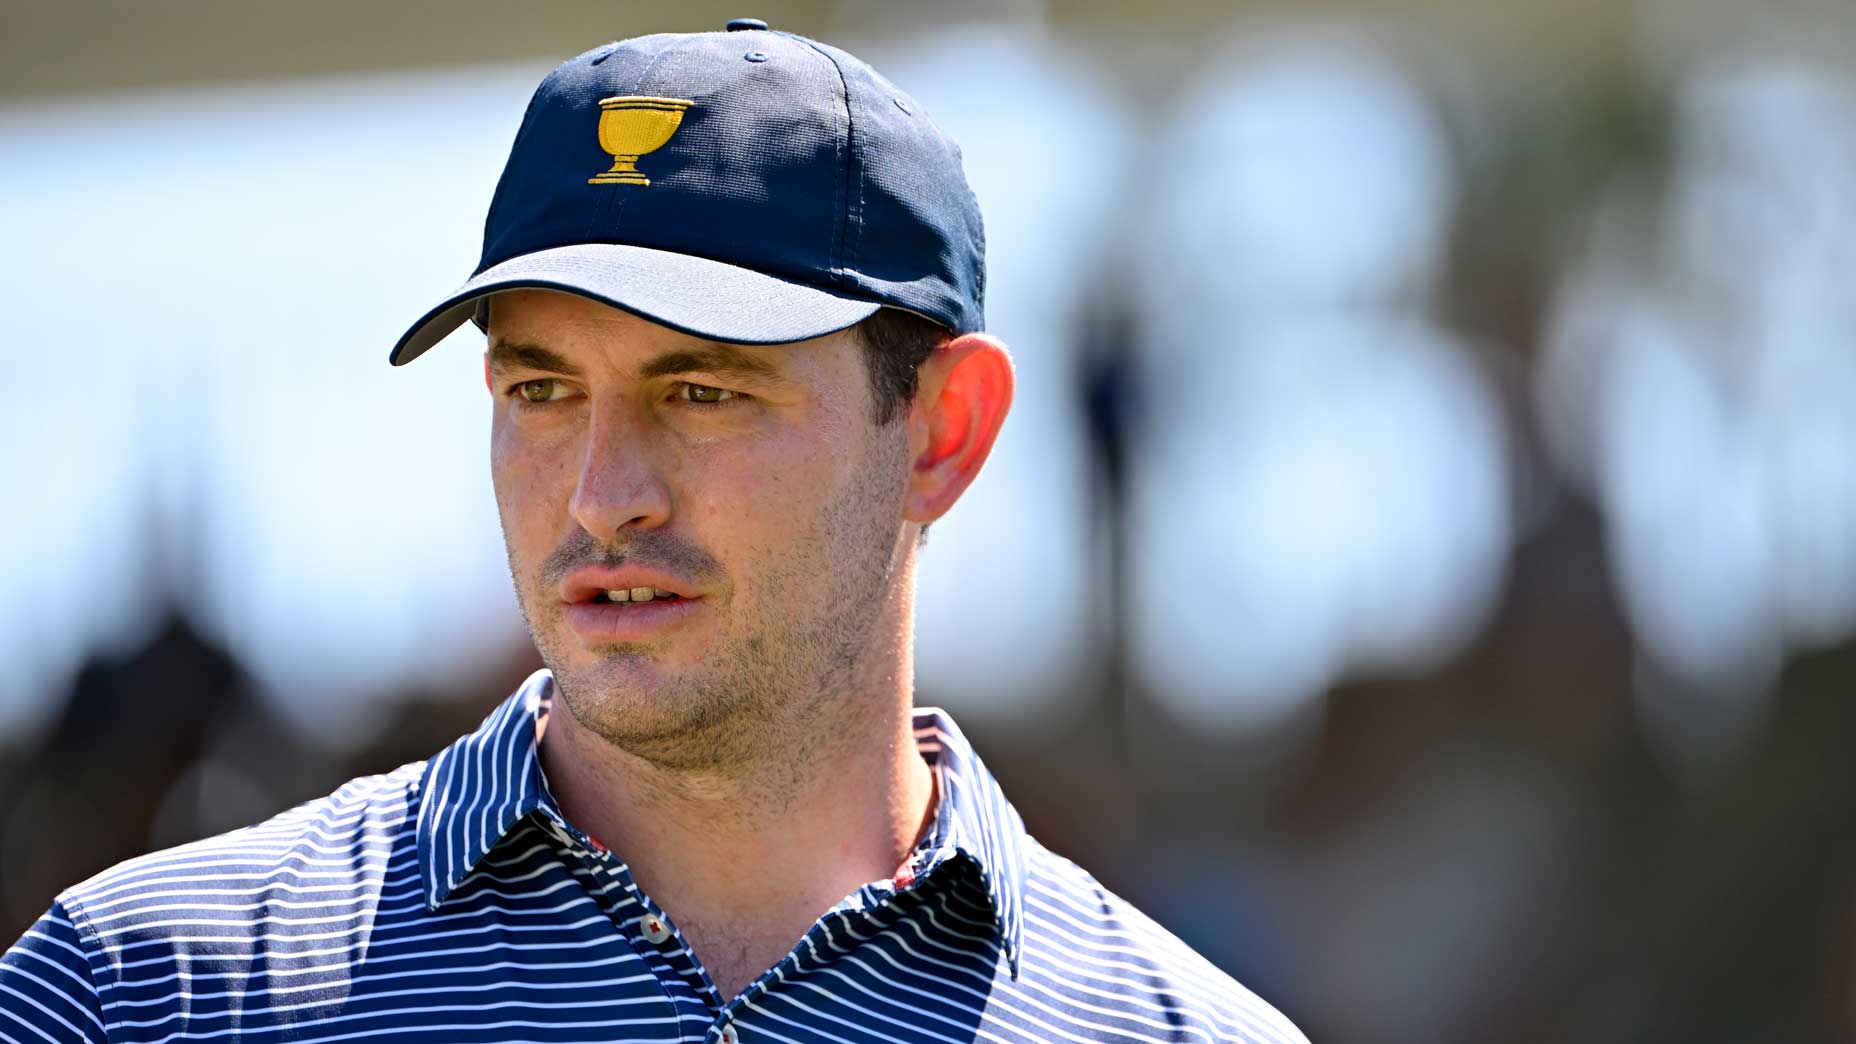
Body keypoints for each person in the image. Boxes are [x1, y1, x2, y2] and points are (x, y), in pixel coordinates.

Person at [1, 20, 1306, 1044]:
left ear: (942, 431)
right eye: (541, 390)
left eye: (704, 390)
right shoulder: (134, 997)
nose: (599, 494)